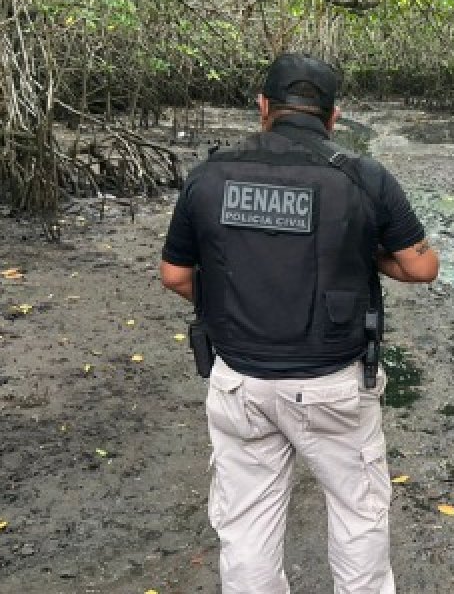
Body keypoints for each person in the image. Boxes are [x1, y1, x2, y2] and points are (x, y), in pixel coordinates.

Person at [159, 52, 439, 594]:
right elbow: (420, 266)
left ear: (263, 107)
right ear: (334, 118)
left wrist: (224, 302)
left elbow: (174, 275)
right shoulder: (364, 176)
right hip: (334, 384)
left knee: (246, 524)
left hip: (240, 380)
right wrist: (365, 254)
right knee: (358, 511)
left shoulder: (209, 177)